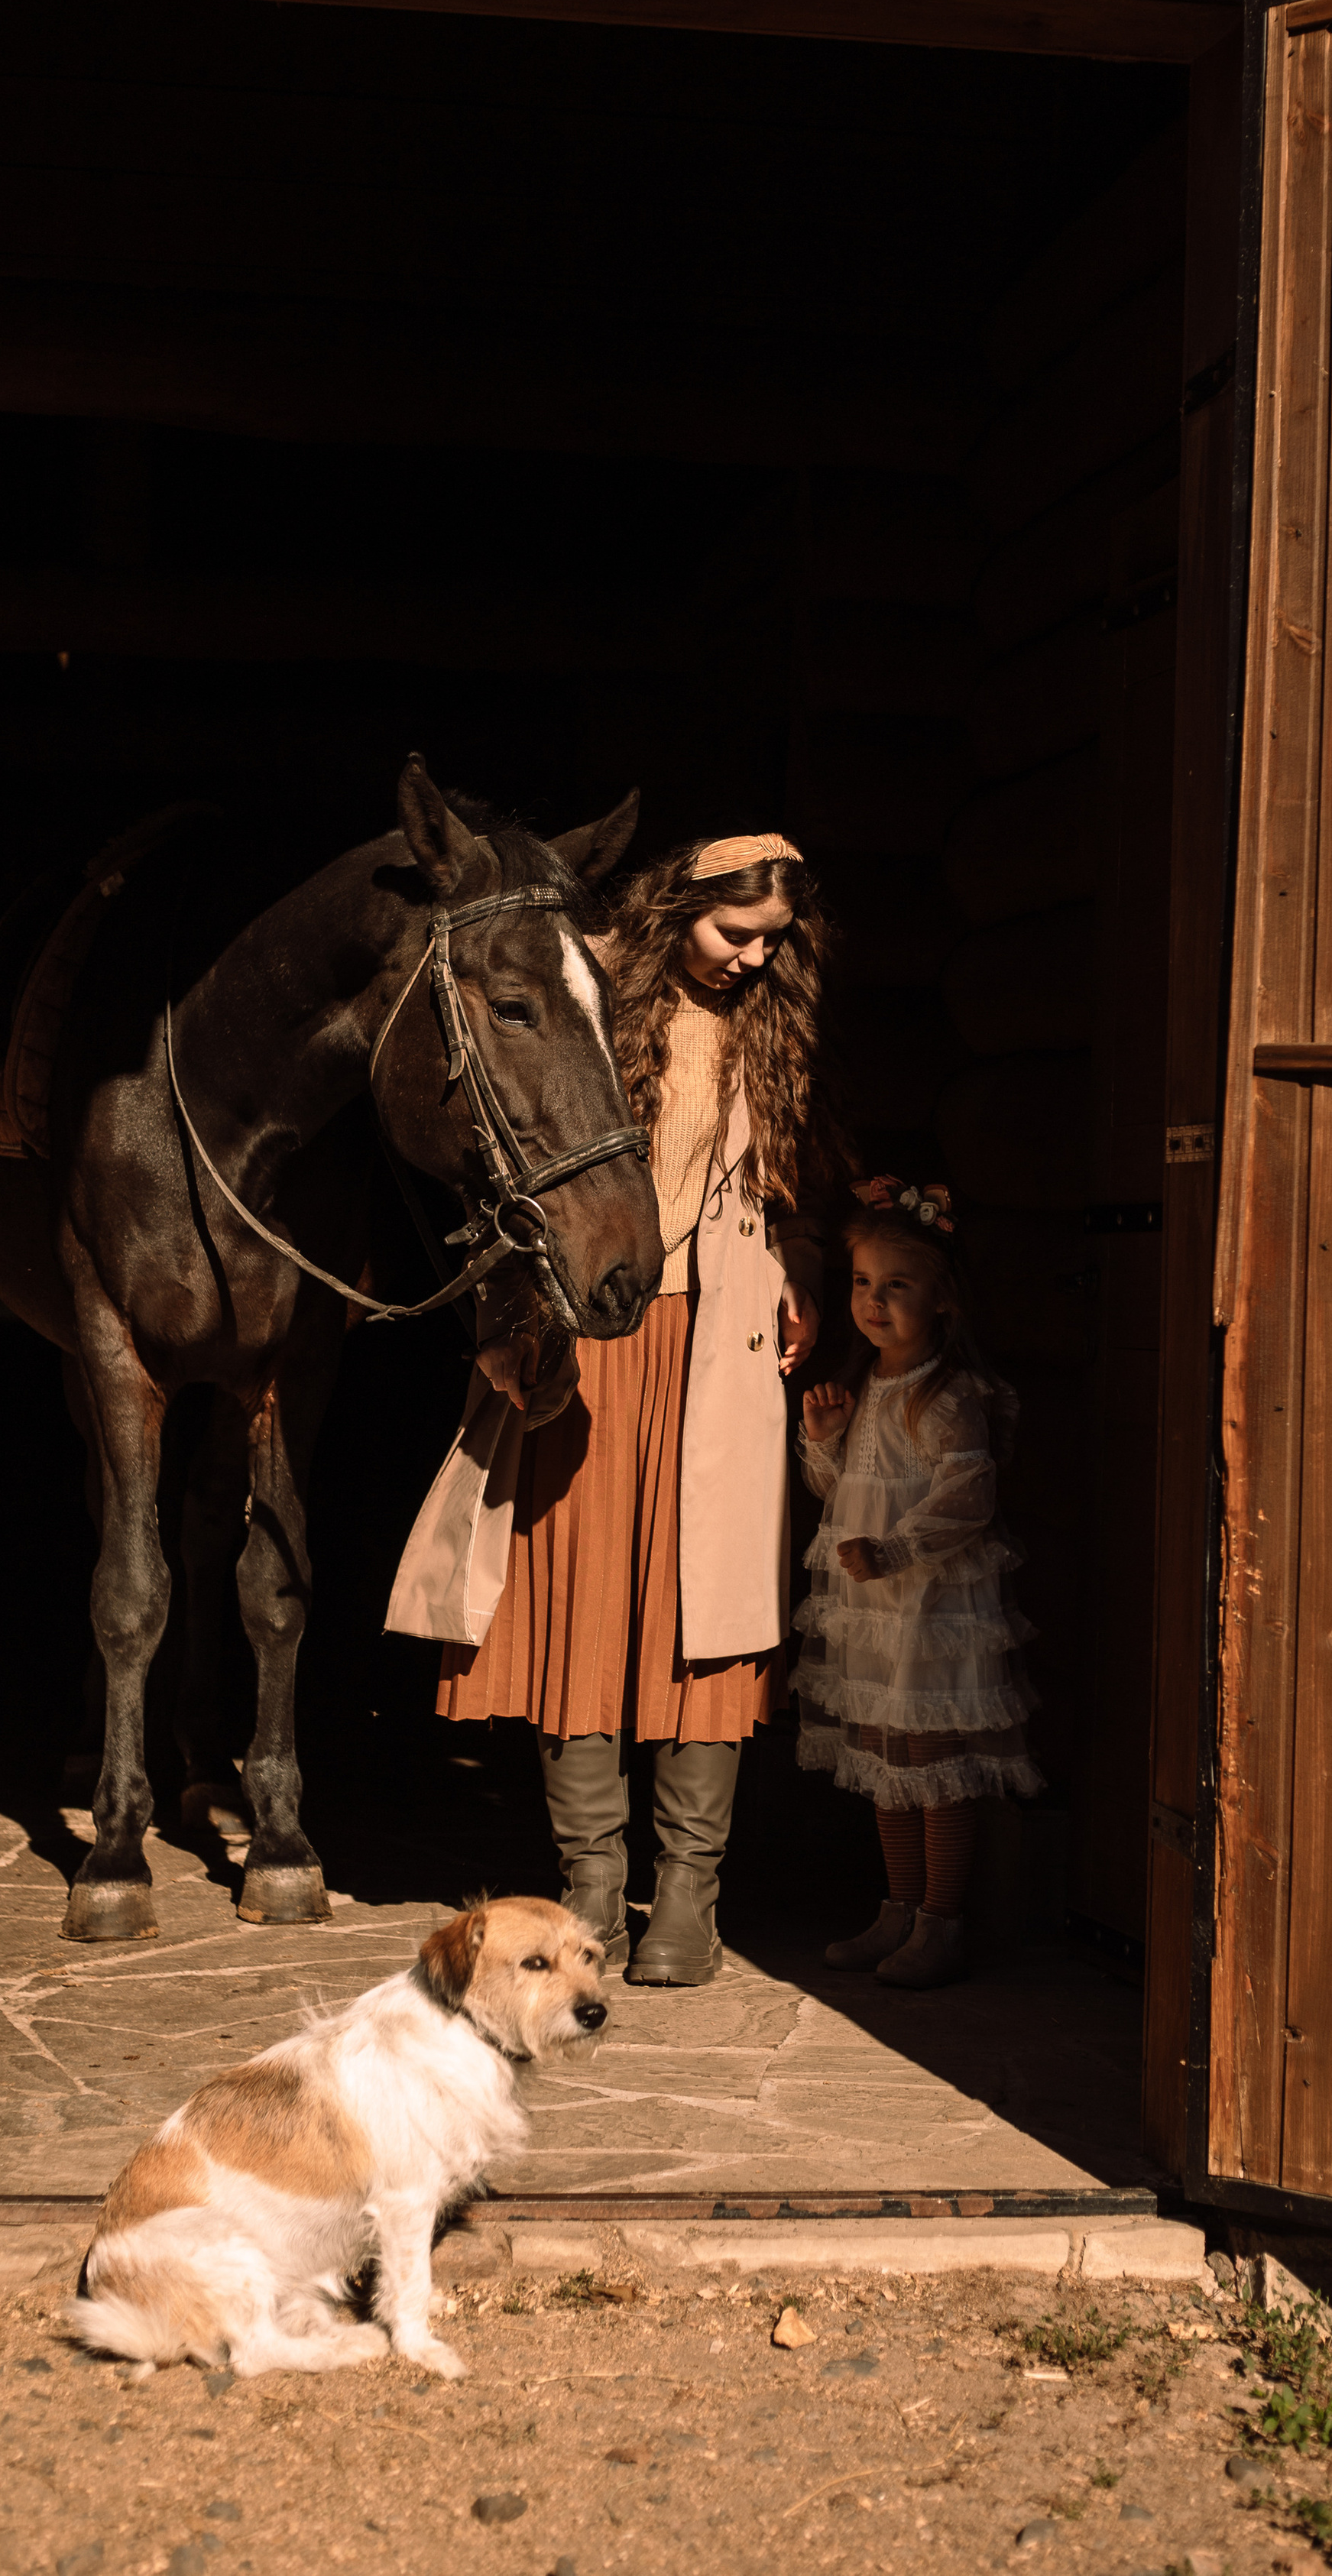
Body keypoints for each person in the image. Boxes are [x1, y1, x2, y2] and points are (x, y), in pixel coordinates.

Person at [387, 831, 843, 1987]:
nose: (749, 957)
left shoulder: (774, 1032)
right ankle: (592, 1883)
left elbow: (798, 1190)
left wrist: (804, 1265)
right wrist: (505, 1323)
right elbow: (508, 1167)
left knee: (710, 1617)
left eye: (770, 942)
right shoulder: (587, 993)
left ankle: (689, 1896)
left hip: (720, 1352)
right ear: (679, 907)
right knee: (582, 1610)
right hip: (594, 1338)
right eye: (732, 931)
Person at [793, 1177, 1039, 1991]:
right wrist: (824, 1439)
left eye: (896, 1285)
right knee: (886, 1760)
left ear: (942, 1301)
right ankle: (896, 1909)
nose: (873, 1300)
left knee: (931, 1763)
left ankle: (941, 1921)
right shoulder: (864, 1388)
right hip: (874, 1609)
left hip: (929, 1607)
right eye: (862, 1282)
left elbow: (967, 1497)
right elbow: (839, 1493)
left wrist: (896, 1553)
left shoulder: (946, 1396)